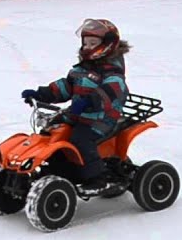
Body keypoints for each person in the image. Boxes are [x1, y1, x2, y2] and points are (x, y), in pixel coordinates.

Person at [22, 18, 131, 194]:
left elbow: (111, 91)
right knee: (53, 132)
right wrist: (40, 94)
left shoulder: (112, 72)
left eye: (93, 43)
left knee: (80, 139)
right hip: (78, 115)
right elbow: (66, 86)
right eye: (85, 43)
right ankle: (60, 167)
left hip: (102, 118)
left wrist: (89, 101)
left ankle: (98, 178)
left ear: (108, 45)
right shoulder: (82, 68)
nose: (87, 47)